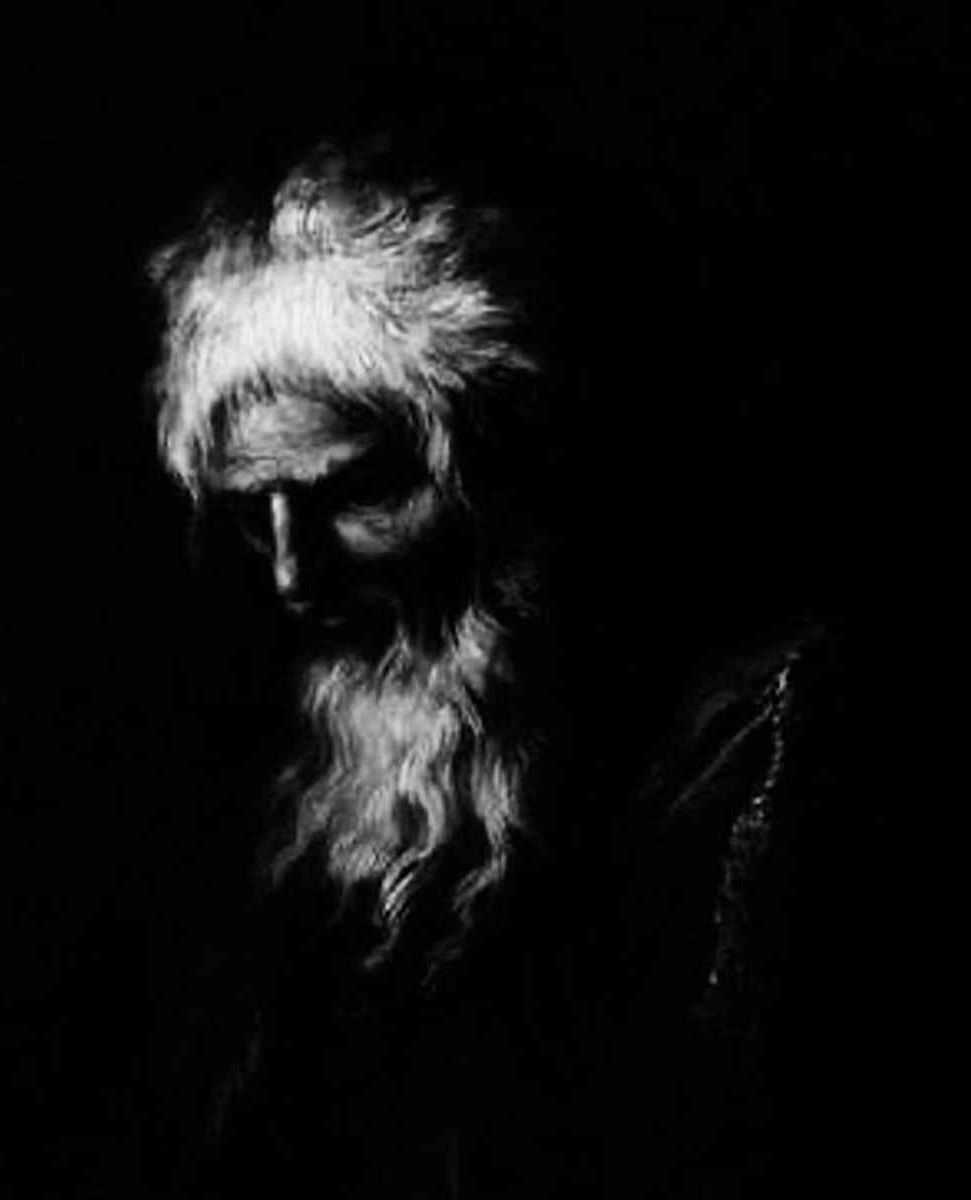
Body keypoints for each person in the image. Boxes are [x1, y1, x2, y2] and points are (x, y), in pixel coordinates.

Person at [142, 135, 853, 1199]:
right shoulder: (296, 795)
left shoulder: (755, 739)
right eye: (257, 515)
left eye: (355, 495)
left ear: (492, 465)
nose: (294, 579)